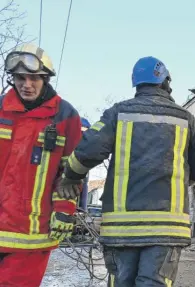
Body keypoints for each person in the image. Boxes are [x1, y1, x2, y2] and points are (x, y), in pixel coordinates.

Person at [60, 56, 195, 286]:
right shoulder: (186, 119)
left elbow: (86, 150)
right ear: (165, 81)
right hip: (167, 228)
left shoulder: (119, 114)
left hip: (121, 229)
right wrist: (179, 179)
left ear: (137, 84)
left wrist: (70, 177)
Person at [0, 43, 83, 287]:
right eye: (20, 78)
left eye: (34, 78)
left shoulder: (65, 116)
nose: (27, 84)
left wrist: (65, 210)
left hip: (33, 231)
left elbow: (71, 173)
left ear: (45, 78)